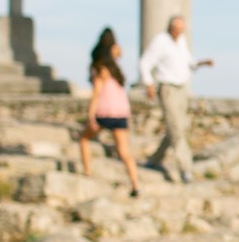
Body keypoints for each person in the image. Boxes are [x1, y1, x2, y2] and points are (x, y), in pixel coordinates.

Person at [138, 15, 213, 184]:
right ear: (170, 27)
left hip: (181, 89)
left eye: (181, 27)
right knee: (176, 128)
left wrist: (202, 63)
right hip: (168, 88)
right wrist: (148, 84)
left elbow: (189, 63)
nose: (179, 30)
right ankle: (186, 169)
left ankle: (155, 159)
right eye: (176, 27)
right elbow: (145, 62)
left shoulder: (181, 41)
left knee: (178, 126)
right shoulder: (160, 41)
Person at [79, 28, 142, 198]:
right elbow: (119, 53)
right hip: (121, 111)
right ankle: (135, 184)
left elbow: (97, 93)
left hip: (104, 111)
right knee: (124, 151)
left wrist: (91, 115)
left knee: (84, 139)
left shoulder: (100, 69)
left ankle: (87, 173)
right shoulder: (116, 70)